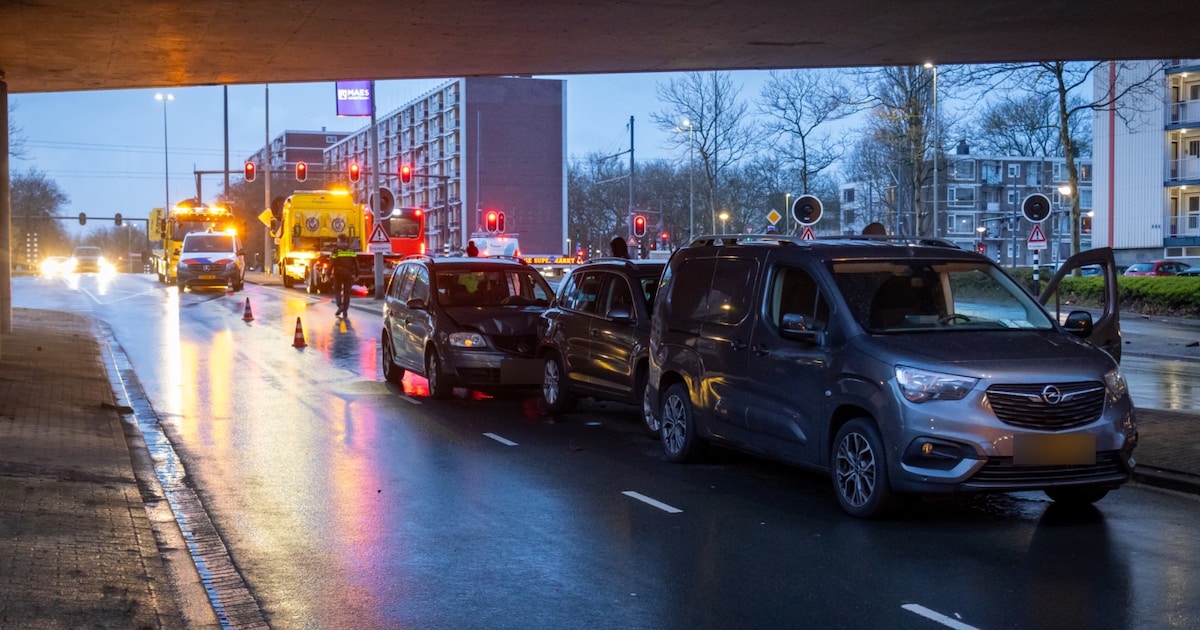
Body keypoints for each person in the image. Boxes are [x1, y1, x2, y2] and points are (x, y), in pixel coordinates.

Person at [331, 235, 358, 317]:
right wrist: (357, 274)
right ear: (346, 240)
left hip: (338, 274)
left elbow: (331, 263)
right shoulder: (351, 250)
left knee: (337, 290)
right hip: (348, 274)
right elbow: (356, 263)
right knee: (347, 292)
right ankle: (345, 310)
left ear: (339, 240)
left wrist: (328, 273)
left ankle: (340, 306)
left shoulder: (335, 250)